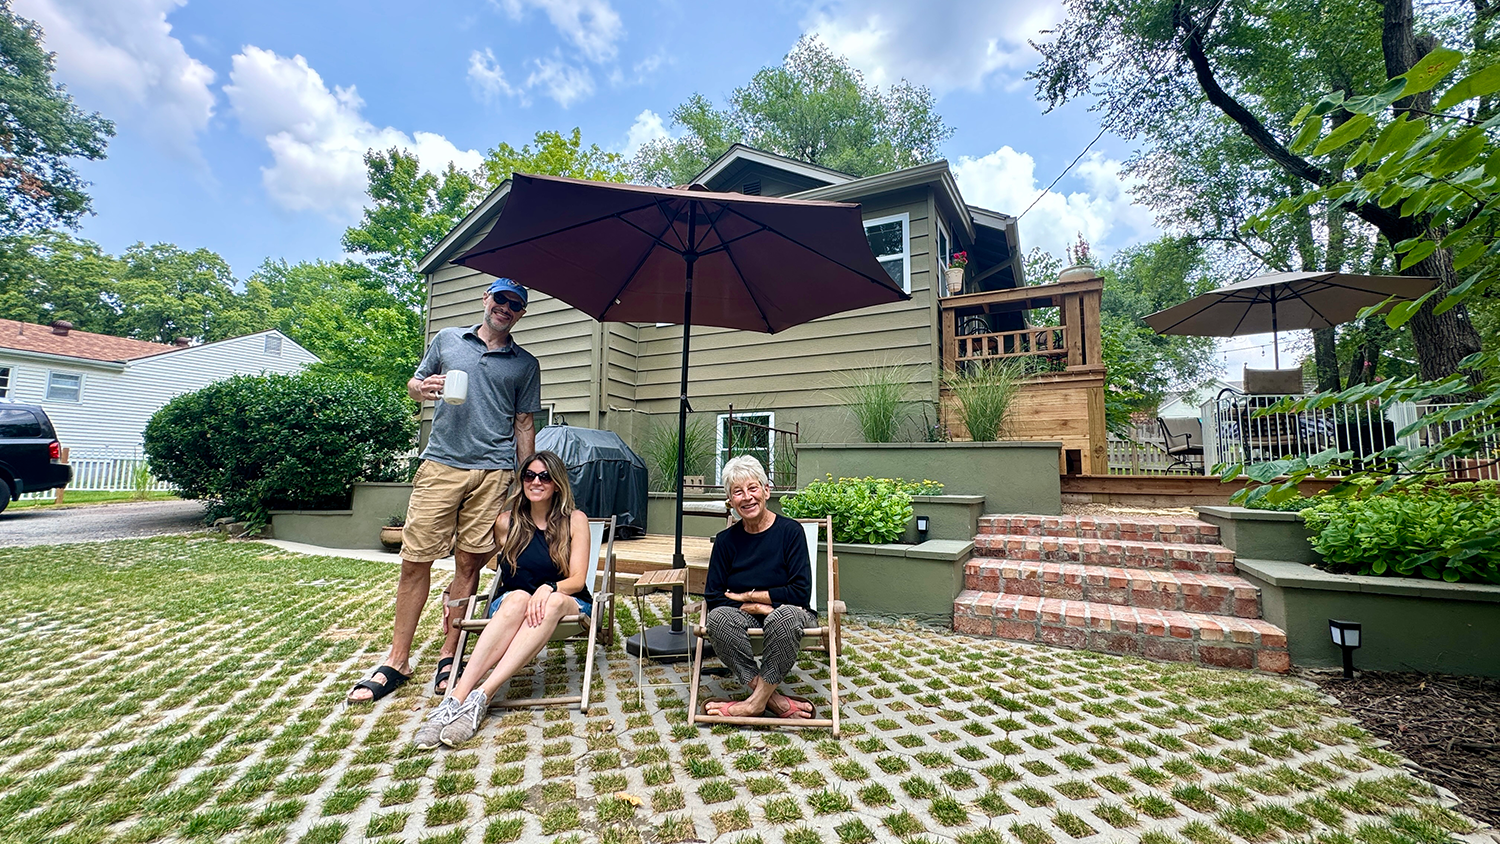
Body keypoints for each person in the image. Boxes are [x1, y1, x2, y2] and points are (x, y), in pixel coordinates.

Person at [347, 278, 542, 704]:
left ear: (521, 313)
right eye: (501, 299)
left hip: (493, 473)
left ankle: (449, 655)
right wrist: (421, 388)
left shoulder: (525, 364)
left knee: (469, 566)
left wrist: (526, 478)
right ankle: (397, 660)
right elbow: (415, 383)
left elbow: (523, 423)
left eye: (515, 305)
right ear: (486, 299)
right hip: (441, 466)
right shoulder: (448, 339)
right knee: (415, 561)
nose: (505, 308)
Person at [412, 450, 593, 748]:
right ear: (522, 481)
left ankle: (482, 696)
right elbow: (474, 561)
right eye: (529, 475)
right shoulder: (505, 523)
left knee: (552, 601)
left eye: (545, 476)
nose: (536, 482)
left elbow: (577, 580)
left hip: (565, 601)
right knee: (518, 598)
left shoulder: (575, 520)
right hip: (512, 603)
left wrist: (548, 588)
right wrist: (451, 588)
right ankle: (455, 700)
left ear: (557, 484)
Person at [701, 455, 816, 720]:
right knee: (717, 618)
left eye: (753, 488)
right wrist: (752, 607)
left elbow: (799, 592)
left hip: (792, 615)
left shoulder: (791, 532)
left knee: (783, 615)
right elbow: (715, 596)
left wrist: (752, 597)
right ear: (730, 502)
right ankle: (772, 700)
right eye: (737, 492)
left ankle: (753, 704)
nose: (747, 497)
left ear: (766, 491)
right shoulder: (725, 541)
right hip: (743, 616)